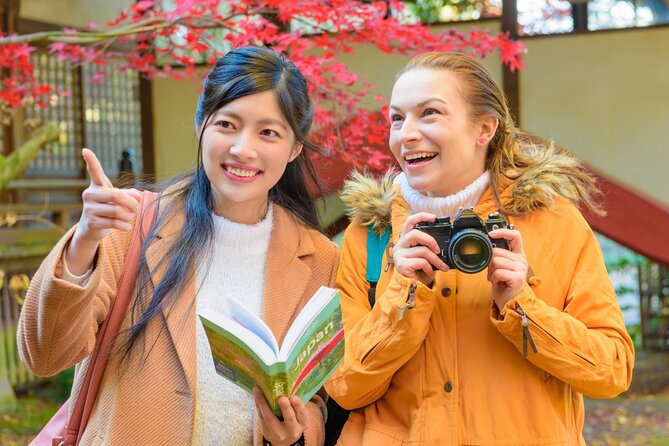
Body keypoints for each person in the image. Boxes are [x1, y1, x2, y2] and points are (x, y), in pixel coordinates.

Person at [18, 46, 339, 446]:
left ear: (294, 148)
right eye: (226, 124)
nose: (243, 148)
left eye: (268, 132)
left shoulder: (320, 258)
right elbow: (45, 355)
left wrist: (295, 433)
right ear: (202, 124)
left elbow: (315, 398)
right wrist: (84, 241)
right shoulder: (134, 224)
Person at [324, 52, 634, 445]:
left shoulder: (553, 222)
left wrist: (522, 306)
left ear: (484, 128)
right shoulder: (370, 236)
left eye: (430, 113)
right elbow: (345, 386)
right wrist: (405, 295)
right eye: (397, 118)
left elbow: (612, 371)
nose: (406, 134)